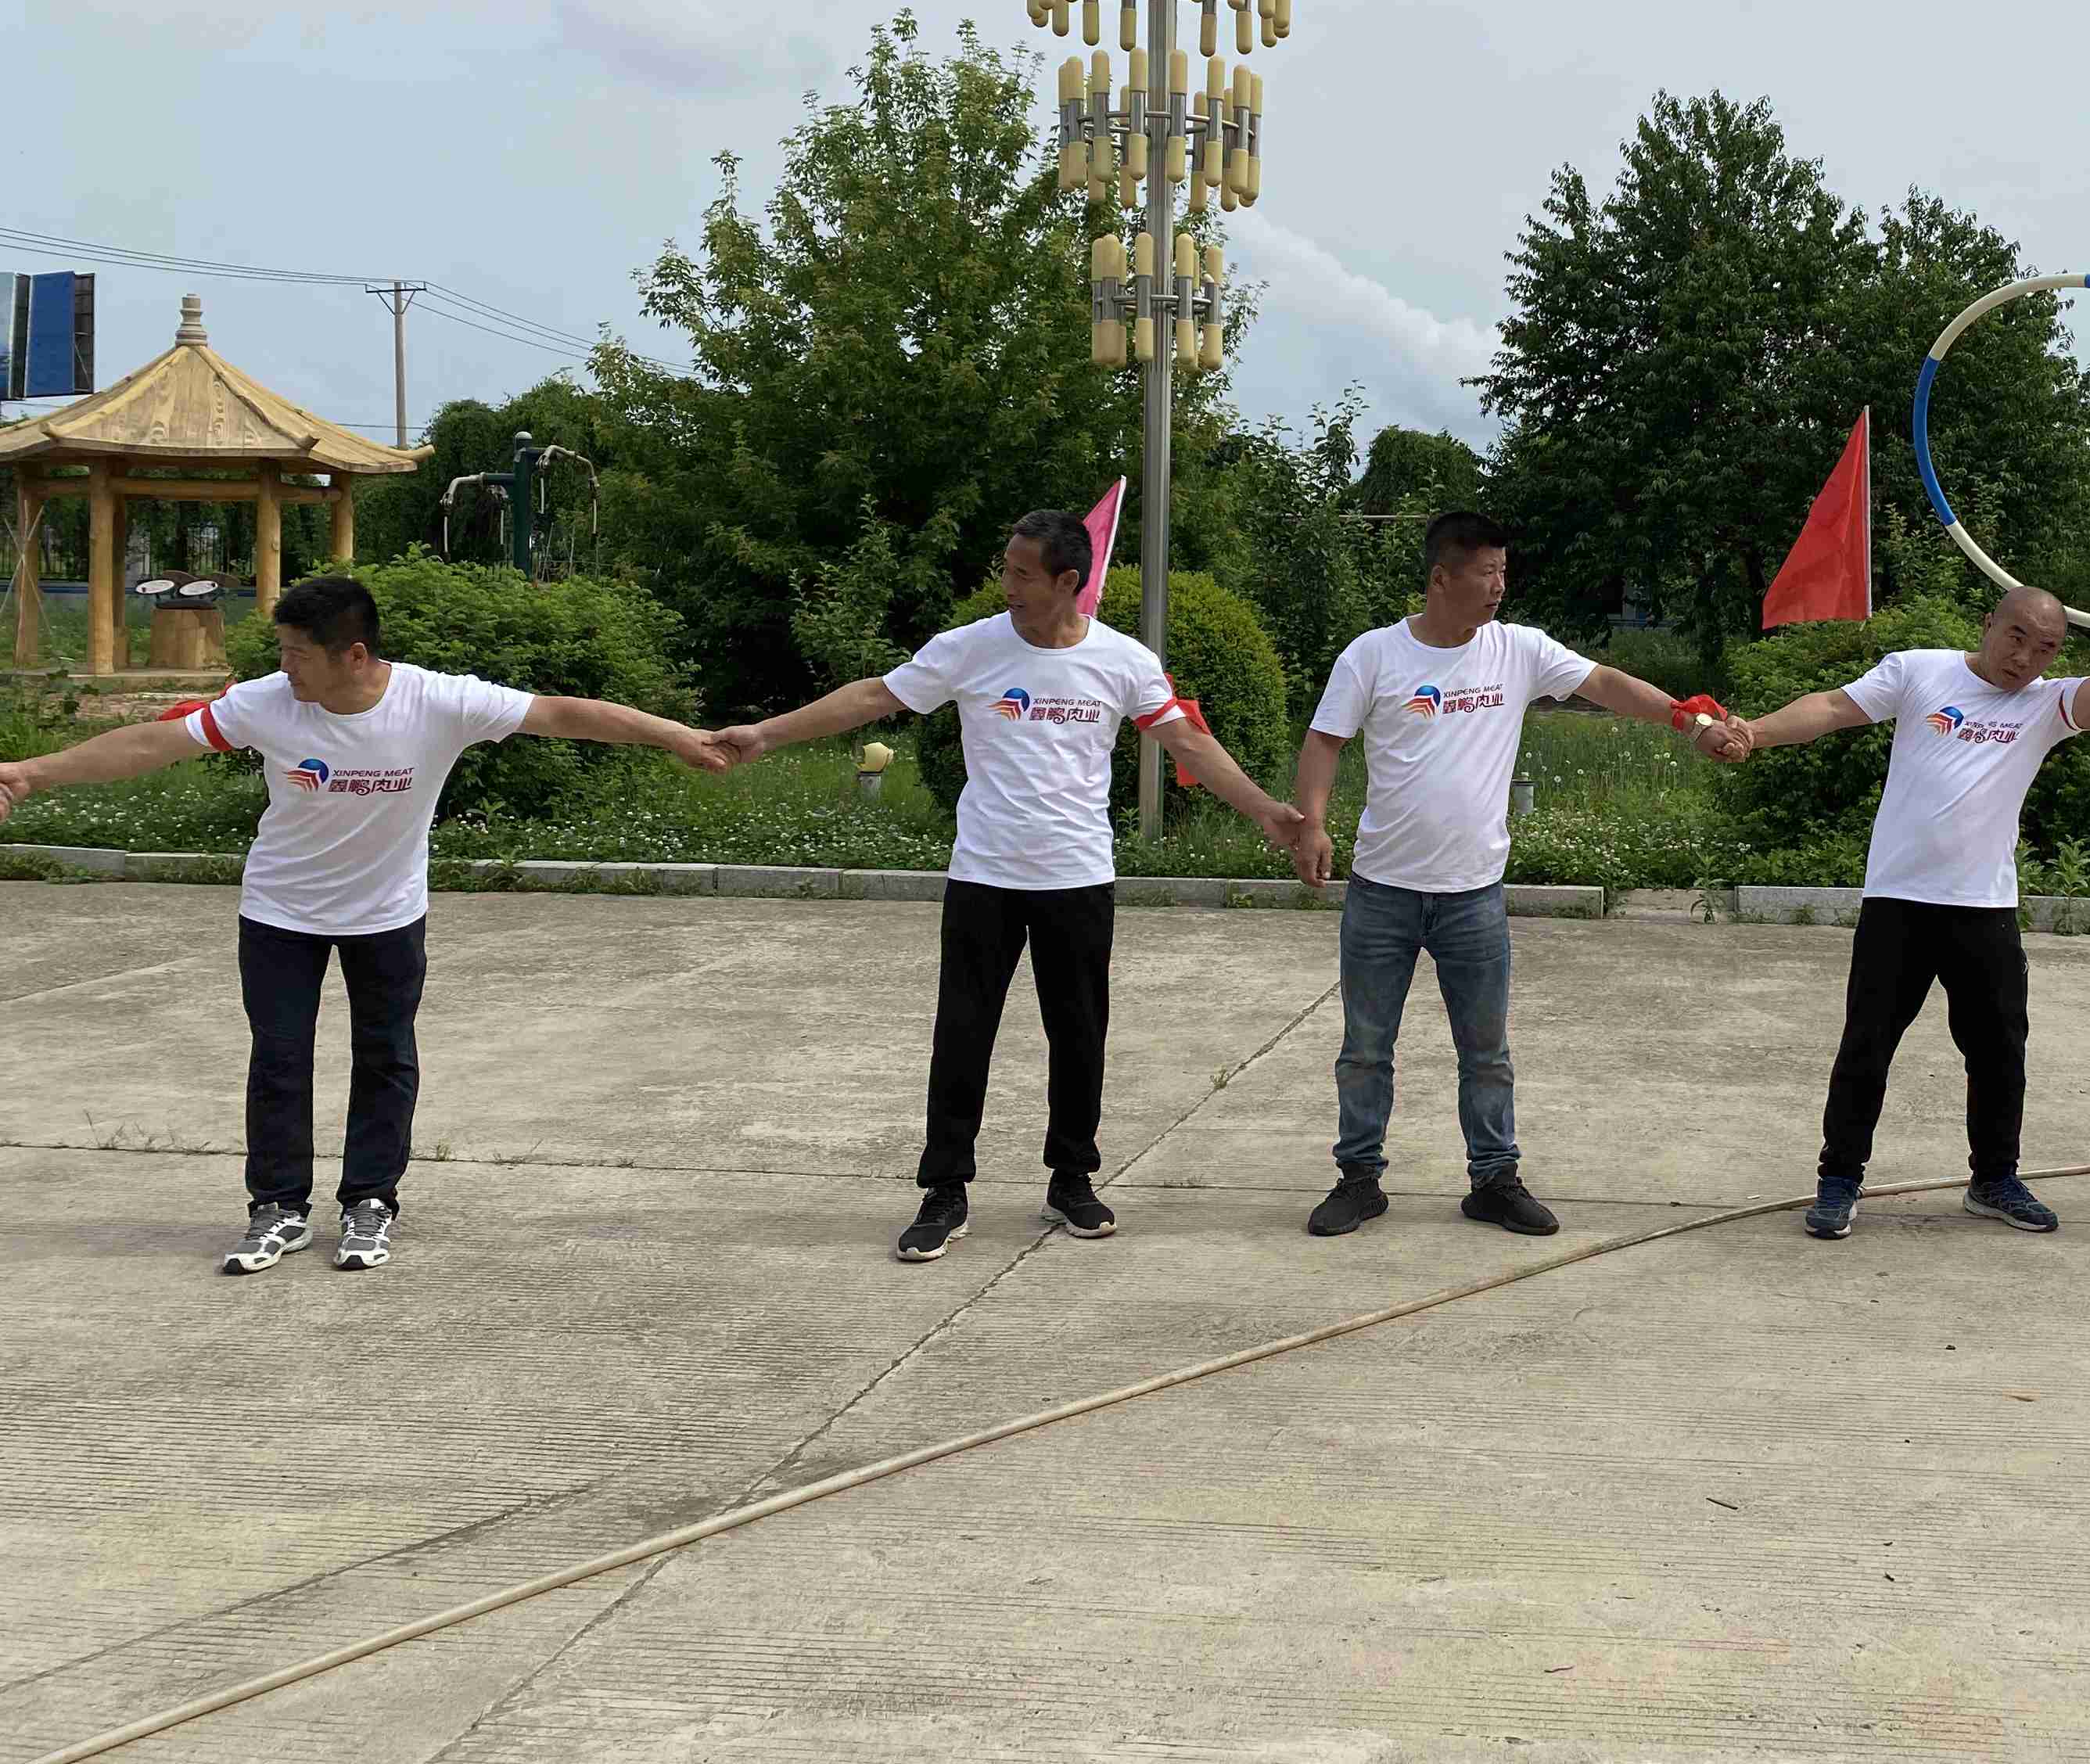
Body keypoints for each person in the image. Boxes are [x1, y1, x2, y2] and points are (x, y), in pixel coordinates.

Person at [0, 574, 731, 1275]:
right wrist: (31, 773)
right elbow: (149, 745)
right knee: (279, 1059)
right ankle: (278, 1207)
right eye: (282, 651)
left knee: (385, 1057)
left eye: (297, 654)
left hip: (386, 914)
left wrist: (677, 735)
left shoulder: (438, 701)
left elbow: (562, 713)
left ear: (353, 655)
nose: (284, 667)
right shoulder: (264, 703)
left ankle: (370, 1201)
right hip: (280, 912)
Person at [716, 510, 1303, 1264]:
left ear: (1068, 581)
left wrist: (1265, 811)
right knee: (963, 1034)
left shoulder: (1123, 660)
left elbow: (1187, 740)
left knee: (1079, 1034)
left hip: (1078, 877)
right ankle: (945, 1190)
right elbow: (872, 697)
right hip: (984, 877)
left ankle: (1072, 1180)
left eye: (1024, 574)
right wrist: (766, 733)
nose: (1008, 585)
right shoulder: (971, 647)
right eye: (1006, 569)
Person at [1289, 511, 1738, 1240]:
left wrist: (1690, 722)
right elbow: (1324, 740)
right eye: (1485, 573)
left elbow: (1606, 683)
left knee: (1486, 1053)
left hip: (1474, 896)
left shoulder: (1518, 649)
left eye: (1504, 571)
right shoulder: (1373, 655)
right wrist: (1311, 823)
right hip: (1383, 892)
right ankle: (1359, 1180)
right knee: (1365, 1049)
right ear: (1441, 578)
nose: (1499, 586)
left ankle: (1495, 1180)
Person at [1730, 573, 2090, 1241]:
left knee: (1999, 1052)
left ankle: (1994, 1180)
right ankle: (1839, 1180)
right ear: (1989, 625)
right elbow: (1832, 708)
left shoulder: (2048, 703)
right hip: (1897, 900)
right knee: (1866, 1046)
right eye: (2016, 637)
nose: (2024, 657)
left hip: (1985, 907)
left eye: (2044, 648)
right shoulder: (1919, 671)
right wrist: (1753, 732)